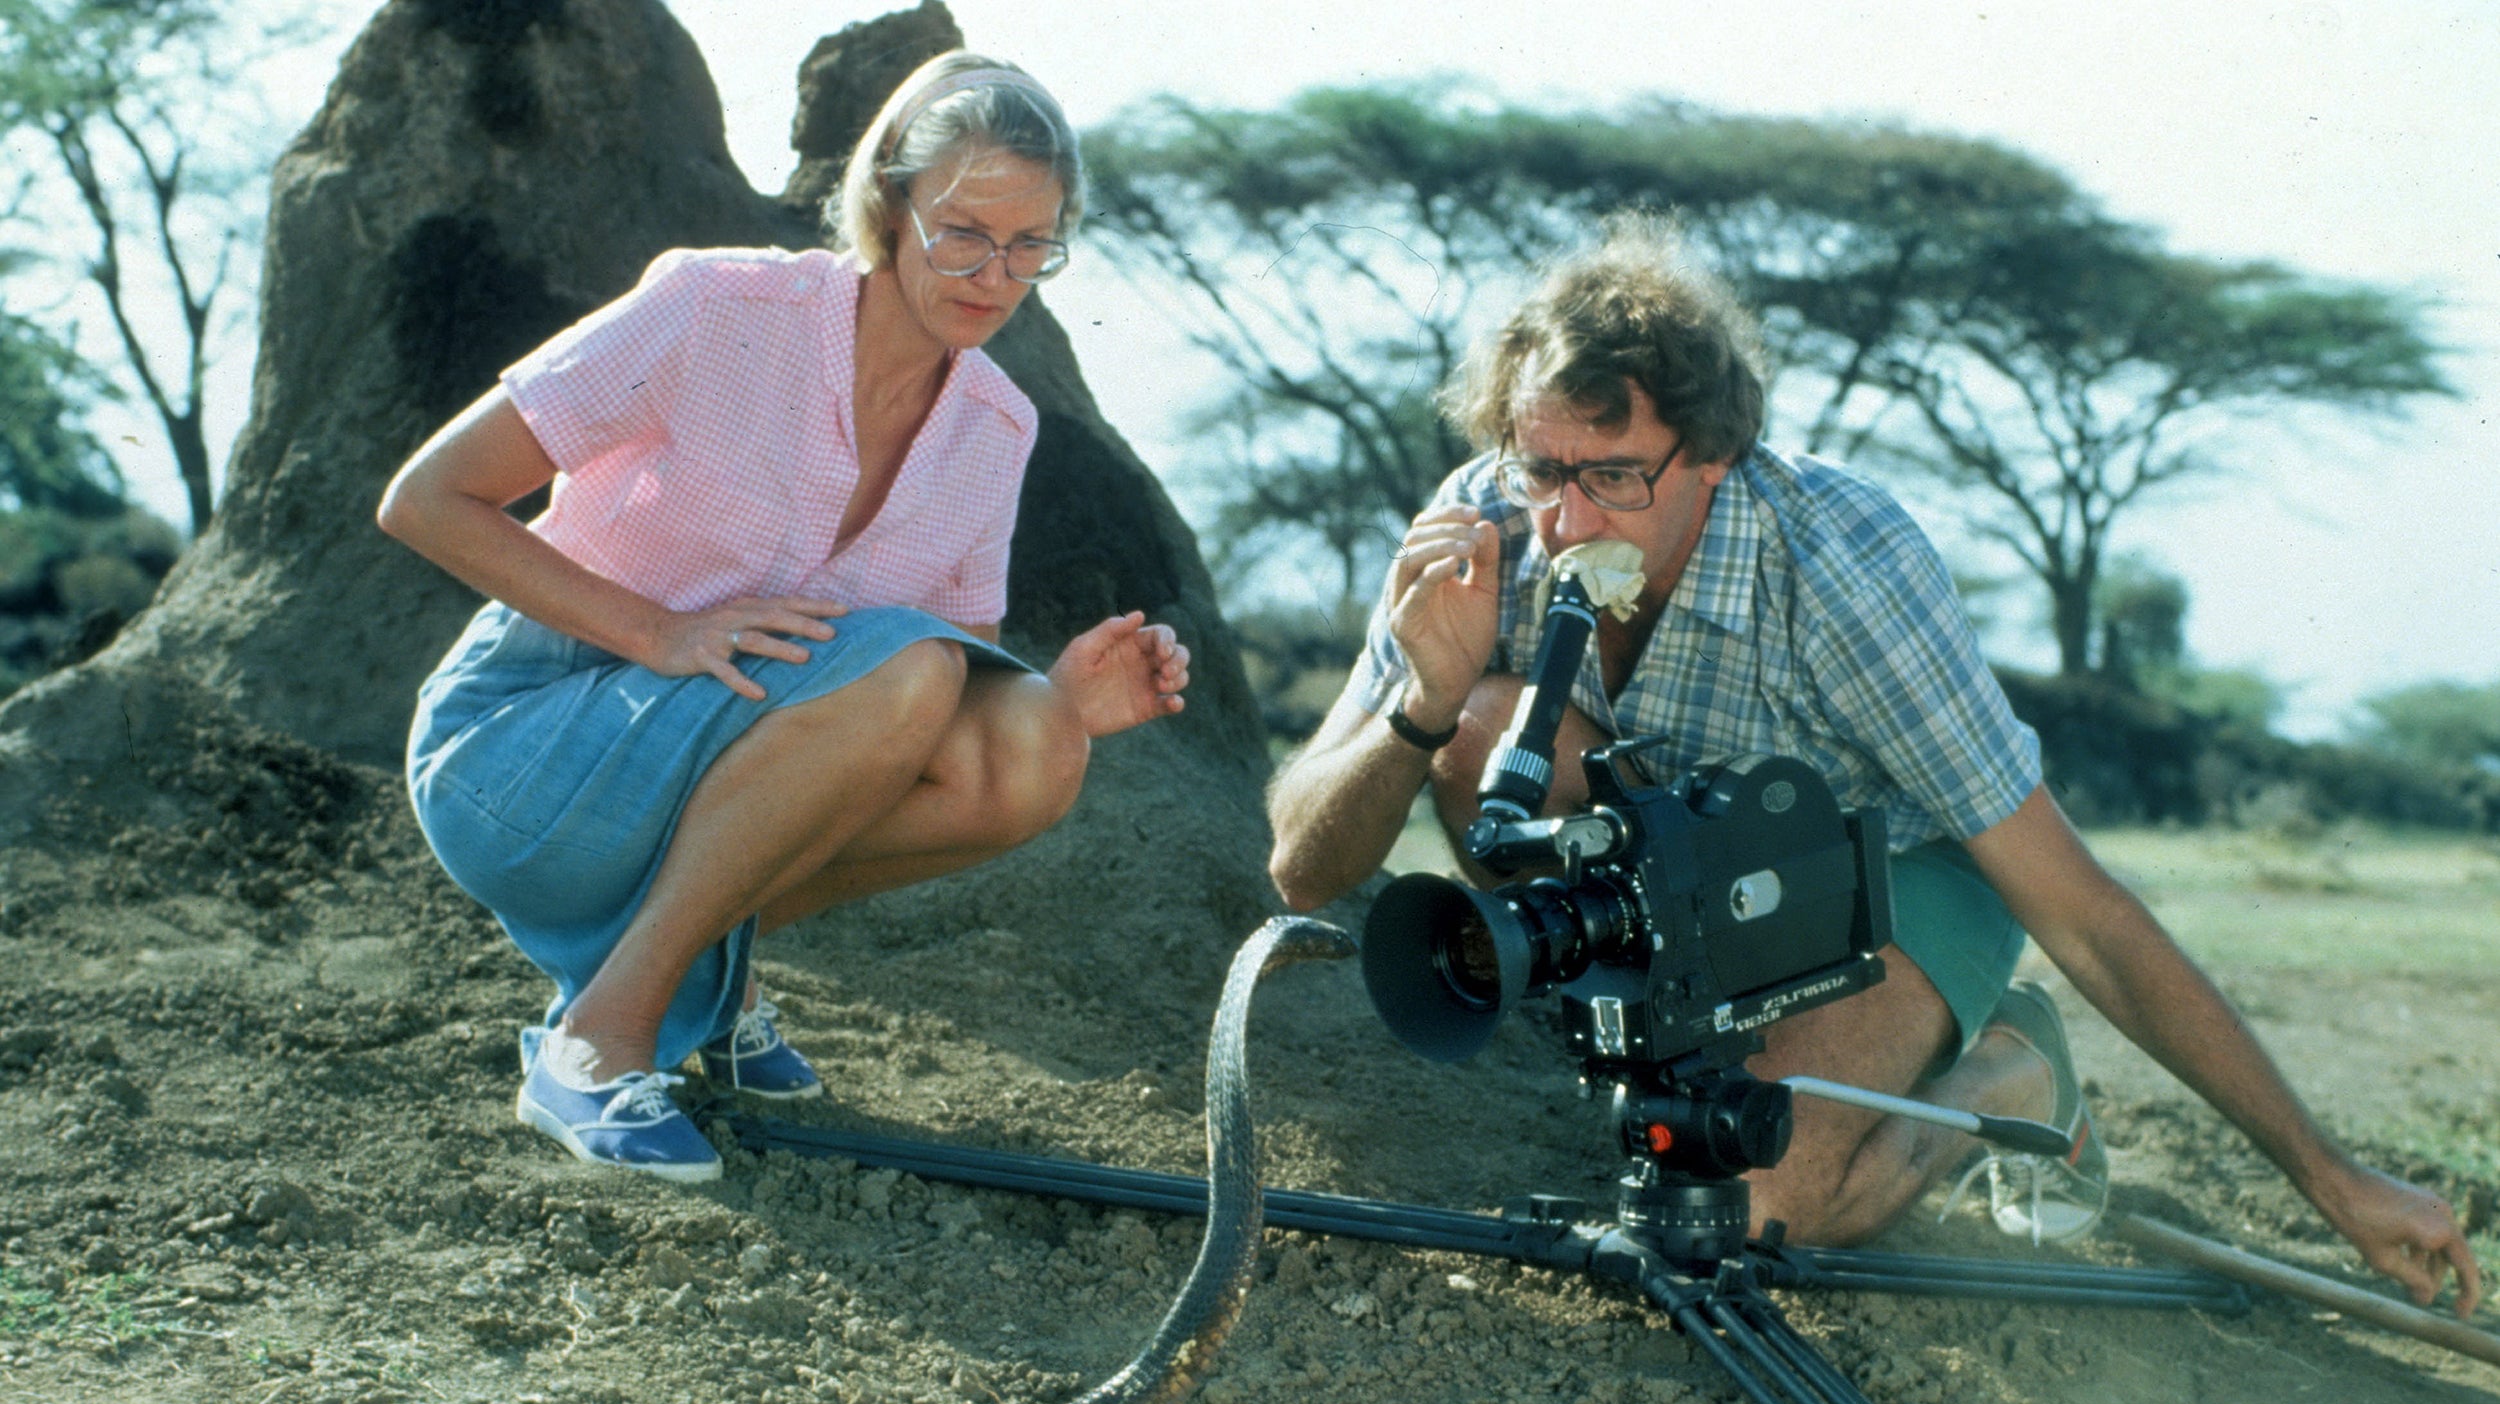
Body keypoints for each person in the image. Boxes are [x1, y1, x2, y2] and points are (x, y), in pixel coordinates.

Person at [1267, 217, 2481, 1317]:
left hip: (1887, 881)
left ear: (1713, 458)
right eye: (1542, 469)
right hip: (1695, 880)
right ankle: (1635, 1031)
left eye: (1615, 476)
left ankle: (2006, 1076)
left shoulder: (1843, 570)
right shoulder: (1486, 524)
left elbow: (2082, 909)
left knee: (1755, 1209)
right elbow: (1302, 864)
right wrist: (1419, 707)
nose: (1568, 520)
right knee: (1484, 715)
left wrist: (2331, 1174)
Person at [382, 53, 1188, 1185]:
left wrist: (1065, 698)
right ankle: (595, 1043)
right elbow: (426, 497)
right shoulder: (717, 305)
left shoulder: (995, 428)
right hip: (517, 747)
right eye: (962, 231)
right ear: (889, 206)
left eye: (1029, 246)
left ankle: (706, 982)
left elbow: (936, 705)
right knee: (904, 672)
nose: (993, 275)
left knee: (1028, 750)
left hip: (696, 764)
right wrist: (659, 632)